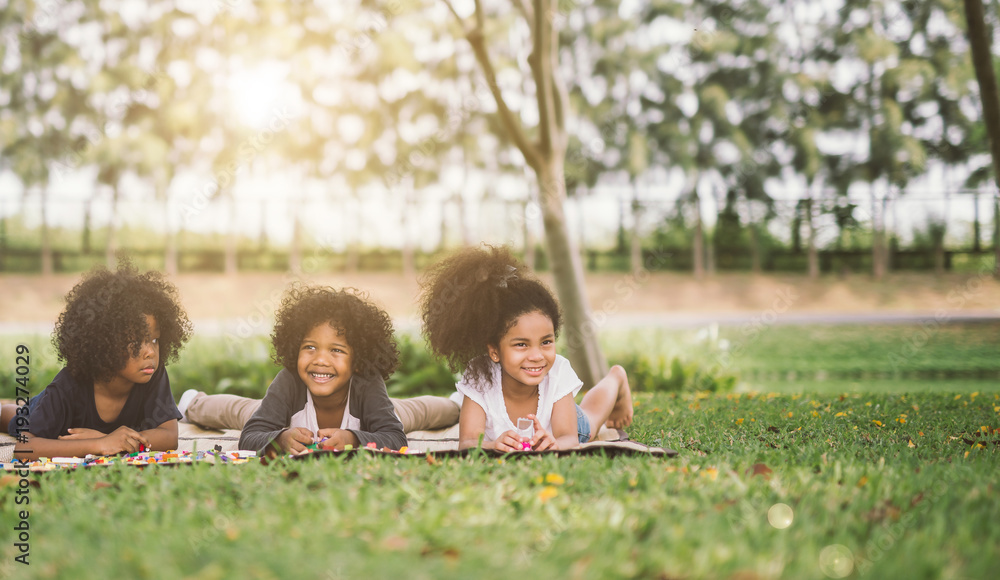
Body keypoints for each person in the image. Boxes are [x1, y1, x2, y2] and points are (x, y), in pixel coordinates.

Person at [419, 244, 633, 452]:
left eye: (546, 342)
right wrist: (493, 445)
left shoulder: (556, 371)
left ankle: (616, 378)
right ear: (494, 351)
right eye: (521, 344)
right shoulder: (480, 378)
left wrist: (555, 444)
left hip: (563, 420)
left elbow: (568, 438)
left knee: (592, 418)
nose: (537, 356)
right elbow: (467, 442)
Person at [3, 261, 192, 460]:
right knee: (20, 416)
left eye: (154, 340)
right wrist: (100, 444)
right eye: (136, 342)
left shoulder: (153, 372)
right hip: (43, 407)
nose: (151, 352)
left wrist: (112, 439)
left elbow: (170, 437)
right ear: (104, 342)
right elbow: (24, 448)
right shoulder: (68, 386)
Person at [233, 285, 452, 455]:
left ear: (358, 361)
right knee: (240, 411)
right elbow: (250, 436)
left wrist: (354, 439)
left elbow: (395, 437)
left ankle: (457, 401)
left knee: (435, 411)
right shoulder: (289, 380)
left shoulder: (367, 382)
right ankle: (196, 400)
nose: (320, 360)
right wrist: (279, 439)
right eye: (309, 347)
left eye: (336, 350)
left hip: (390, 409)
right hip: (265, 406)